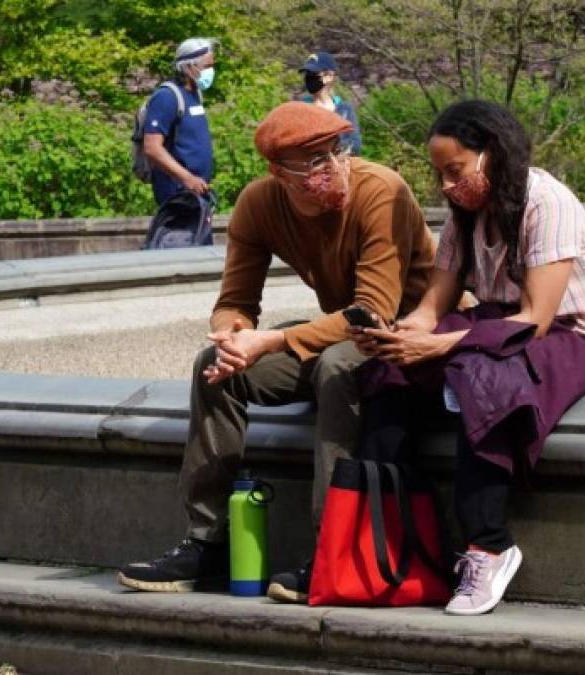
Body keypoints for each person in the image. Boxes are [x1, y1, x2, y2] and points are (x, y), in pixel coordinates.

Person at [118, 101, 437, 601]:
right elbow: (235, 302)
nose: (333, 169)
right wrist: (232, 336)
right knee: (214, 369)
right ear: (278, 172)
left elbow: (372, 312)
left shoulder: (380, 190)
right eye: (312, 164)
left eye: (336, 153)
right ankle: (208, 543)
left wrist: (270, 340)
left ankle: (331, 548)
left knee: (336, 366)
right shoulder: (259, 204)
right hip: (345, 332)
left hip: (407, 335)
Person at [349, 100, 585, 616]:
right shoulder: (464, 212)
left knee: (480, 374)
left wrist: (439, 345)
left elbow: (535, 319)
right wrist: (399, 336)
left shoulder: (546, 202)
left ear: (491, 154)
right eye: (440, 173)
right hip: (498, 330)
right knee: (387, 374)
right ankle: (395, 543)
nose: (446, 185)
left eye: (455, 170)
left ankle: (489, 544)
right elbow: (432, 305)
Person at [143, 37, 217, 206]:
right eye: (207, 66)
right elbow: (152, 147)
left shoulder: (195, 94)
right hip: (177, 192)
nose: (211, 71)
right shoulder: (167, 97)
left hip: (197, 191)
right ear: (188, 66)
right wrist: (187, 178)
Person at [299, 50, 362, 156]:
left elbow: (355, 144)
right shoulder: (301, 108)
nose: (309, 78)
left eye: (314, 74)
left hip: (342, 165)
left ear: (330, 76)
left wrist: (330, 149)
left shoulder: (344, 109)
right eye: (307, 74)